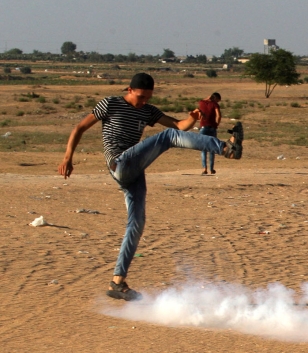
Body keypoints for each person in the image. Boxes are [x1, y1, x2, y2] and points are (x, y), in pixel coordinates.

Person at [58, 73, 244, 301]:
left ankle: (117, 281)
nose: (144, 102)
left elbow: (178, 126)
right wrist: (68, 157)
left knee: (136, 223)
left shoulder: (148, 111)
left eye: (148, 97)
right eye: (140, 97)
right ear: (129, 90)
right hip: (120, 162)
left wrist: (193, 119)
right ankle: (225, 148)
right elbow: (79, 128)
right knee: (167, 137)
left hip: (133, 170)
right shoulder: (110, 104)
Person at [198, 92, 222, 175]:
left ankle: (204, 168)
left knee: (203, 149)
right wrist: (216, 124)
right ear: (215, 99)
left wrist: (208, 97)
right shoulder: (214, 104)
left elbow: (202, 101)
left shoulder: (201, 102)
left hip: (203, 127)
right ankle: (211, 169)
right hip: (212, 127)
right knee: (212, 149)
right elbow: (218, 115)